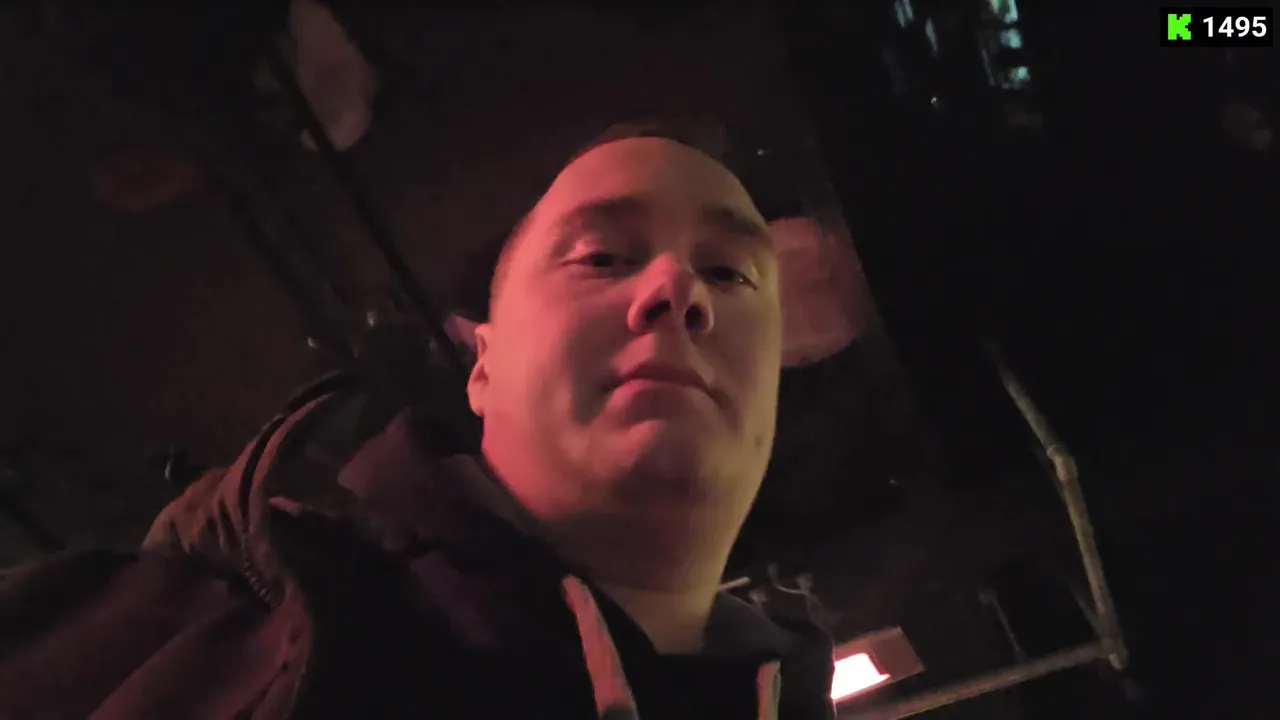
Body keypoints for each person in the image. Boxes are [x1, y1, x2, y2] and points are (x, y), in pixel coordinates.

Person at [0, 122, 836, 719]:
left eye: (729, 275)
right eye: (602, 257)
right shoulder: (154, 633)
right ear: (483, 366)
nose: (676, 287)